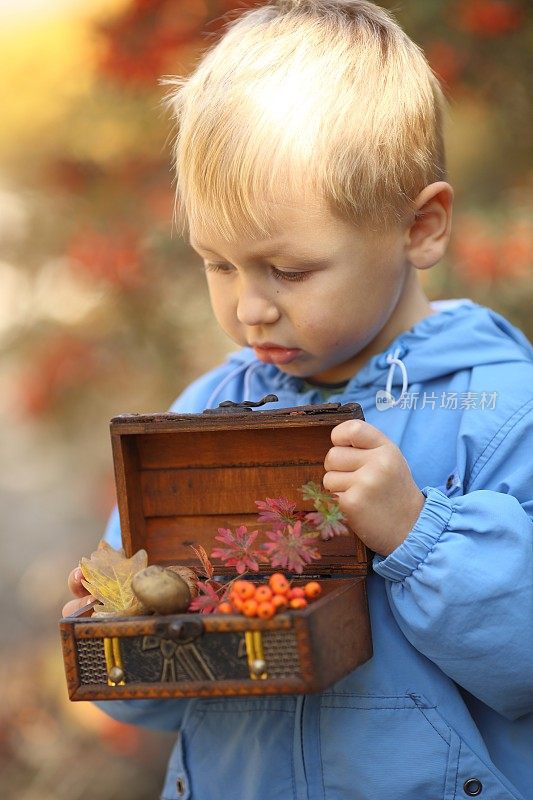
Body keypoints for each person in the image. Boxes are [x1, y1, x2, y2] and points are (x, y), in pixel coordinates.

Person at [62, 1, 533, 798]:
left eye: (288, 270)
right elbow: (152, 698)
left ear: (419, 227)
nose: (249, 307)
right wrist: (116, 630)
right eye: (218, 264)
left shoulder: (497, 411)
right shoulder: (203, 417)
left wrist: (420, 536)